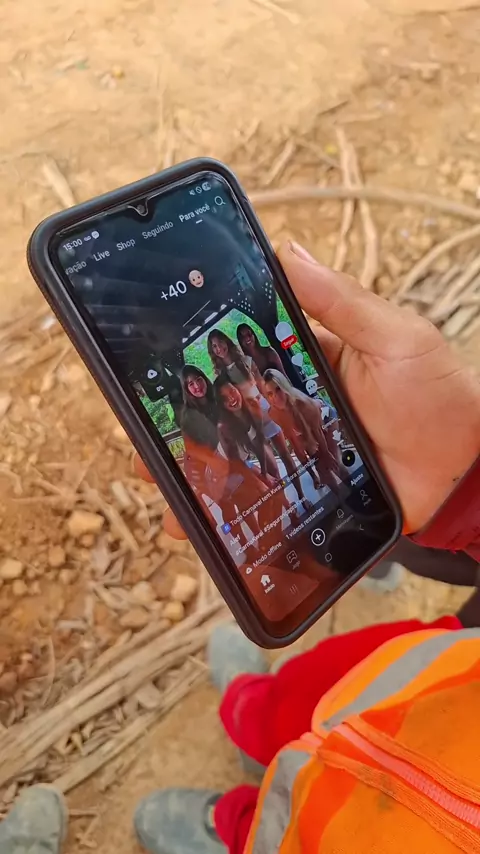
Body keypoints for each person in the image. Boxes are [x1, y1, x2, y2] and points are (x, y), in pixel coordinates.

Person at [5, 243, 479, 854]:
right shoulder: (215, 394)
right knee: (315, 685)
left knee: (287, 817)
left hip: (340, 830)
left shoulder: (258, 374)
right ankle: (253, 718)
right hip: (449, 663)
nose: (213, 376)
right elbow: (230, 437)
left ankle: (232, 825)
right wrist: (467, 491)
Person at [214, 375, 311, 511]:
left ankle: (293, 505)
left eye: (232, 391)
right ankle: (289, 509)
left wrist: (265, 472)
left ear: (238, 388)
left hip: (244, 457)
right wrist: (262, 478)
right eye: (224, 398)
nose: (231, 399)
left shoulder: (252, 406)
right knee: (260, 493)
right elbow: (237, 463)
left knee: (273, 474)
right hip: (226, 466)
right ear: (221, 404)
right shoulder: (223, 427)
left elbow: (259, 440)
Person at [263, 367, 342, 494]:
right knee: (322, 469)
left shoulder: (303, 404)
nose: (275, 396)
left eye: (278, 389)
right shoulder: (273, 414)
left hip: (325, 417)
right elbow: (294, 441)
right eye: (270, 394)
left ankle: (356, 491)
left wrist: (326, 453)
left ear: (284, 387)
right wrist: (311, 466)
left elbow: (317, 431)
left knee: (333, 462)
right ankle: (341, 498)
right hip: (307, 430)